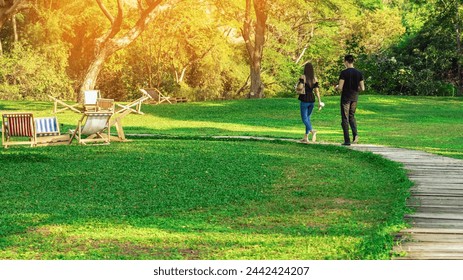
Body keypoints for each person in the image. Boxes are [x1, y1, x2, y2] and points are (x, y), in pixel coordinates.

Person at [335, 55, 365, 146]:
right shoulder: (359, 73)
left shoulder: (344, 73)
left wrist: (336, 87)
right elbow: (362, 88)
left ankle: (347, 140)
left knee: (345, 117)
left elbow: (340, 87)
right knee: (351, 116)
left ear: (346, 62)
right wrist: (355, 89)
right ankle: (355, 135)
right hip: (354, 97)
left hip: (346, 97)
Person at [298, 62, 323, 143]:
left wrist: (298, 87)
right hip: (312, 99)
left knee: (304, 118)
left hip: (304, 98)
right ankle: (306, 137)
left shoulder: (303, 77)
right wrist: (319, 101)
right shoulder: (315, 79)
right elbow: (317, 91)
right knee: (308, 118)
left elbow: (300, 87)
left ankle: (312, 131)